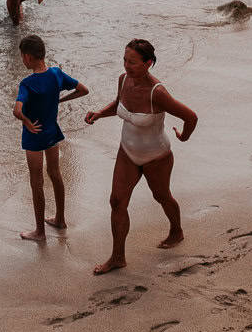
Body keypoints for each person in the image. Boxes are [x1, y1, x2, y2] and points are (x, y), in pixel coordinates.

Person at [85, 39, 198, 275]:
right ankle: (117, 257)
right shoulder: (123, 80)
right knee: (116, 201)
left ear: (148, 63)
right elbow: (118, 104)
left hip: (156, 156)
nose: (127, 66)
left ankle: (176, 230)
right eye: (125, 60)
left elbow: (191, 117)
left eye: (133, 62)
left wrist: (183, 138)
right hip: (127, 152)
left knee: (161, 196)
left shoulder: (158, 93)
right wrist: (99, 113)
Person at [14, 34, 88, 241]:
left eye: (22, 56)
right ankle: (60, 219)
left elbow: (17, 111)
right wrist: (61, 100)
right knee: (55, 174)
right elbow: (83, 90)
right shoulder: (56, 74)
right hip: (51, 131)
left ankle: (39, 232)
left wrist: (28, 123)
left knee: (36, 181)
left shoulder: (27, 84)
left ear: (28, 57)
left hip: (34, 136)